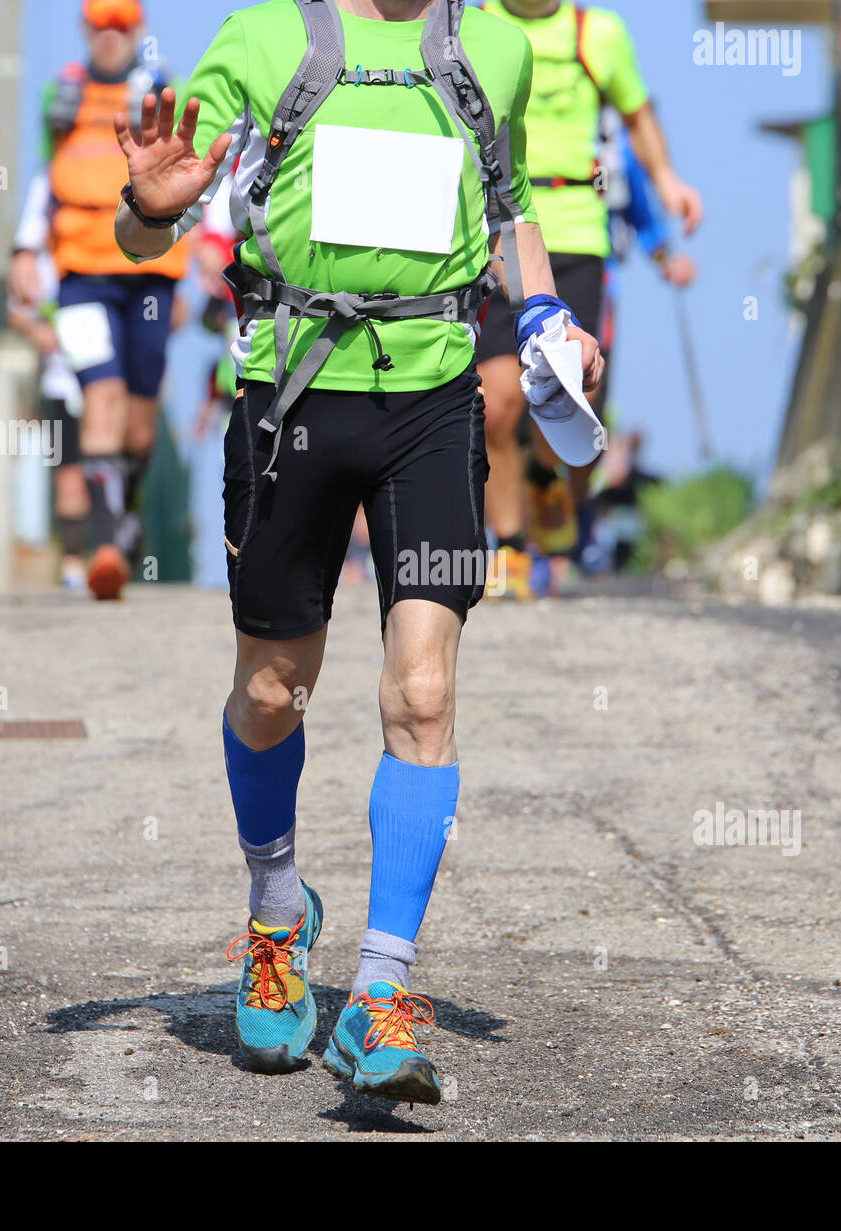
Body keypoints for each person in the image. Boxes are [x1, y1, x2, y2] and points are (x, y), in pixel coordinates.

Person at [112, 0, 603, 1104]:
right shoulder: (260, 38)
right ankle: (277, 912)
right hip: (288, 398)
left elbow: (511, 206)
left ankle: (381, 994)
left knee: (422, 693)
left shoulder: (497, 50)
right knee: (273, 688)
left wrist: (543, 317)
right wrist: (146, 212)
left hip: (431, 403)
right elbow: (154, 223)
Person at [474, 0, 703, 597]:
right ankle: (512, 549)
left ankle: (548, 477)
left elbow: (637, 114)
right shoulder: (470, 24)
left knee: (569, 392)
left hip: (574, 235)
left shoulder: (597, 34)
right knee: (495, 406)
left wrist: (669, 182)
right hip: (495, 230)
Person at [8, 0, 189, 602]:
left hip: (149, 271)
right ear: (85, 31)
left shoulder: (160, 91)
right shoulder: (61, 95)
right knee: (101, 396)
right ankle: (105, 547)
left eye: (120, 27)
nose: (108, 38)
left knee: (139, 425)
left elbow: (188, 177)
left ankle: (125, 506)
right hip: (81, 271)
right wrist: (24, 249)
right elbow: (44, 174)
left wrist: (203, 270)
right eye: (97, 26)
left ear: (138, 31)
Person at [7, 193, 89, 590]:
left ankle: (111, 550)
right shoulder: (40, 264)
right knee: (69, 472)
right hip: (60, 384)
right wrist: (38, 331)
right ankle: (73, 562)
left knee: (108, 466)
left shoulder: (95, 258)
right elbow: (16, 309)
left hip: (102, 382)